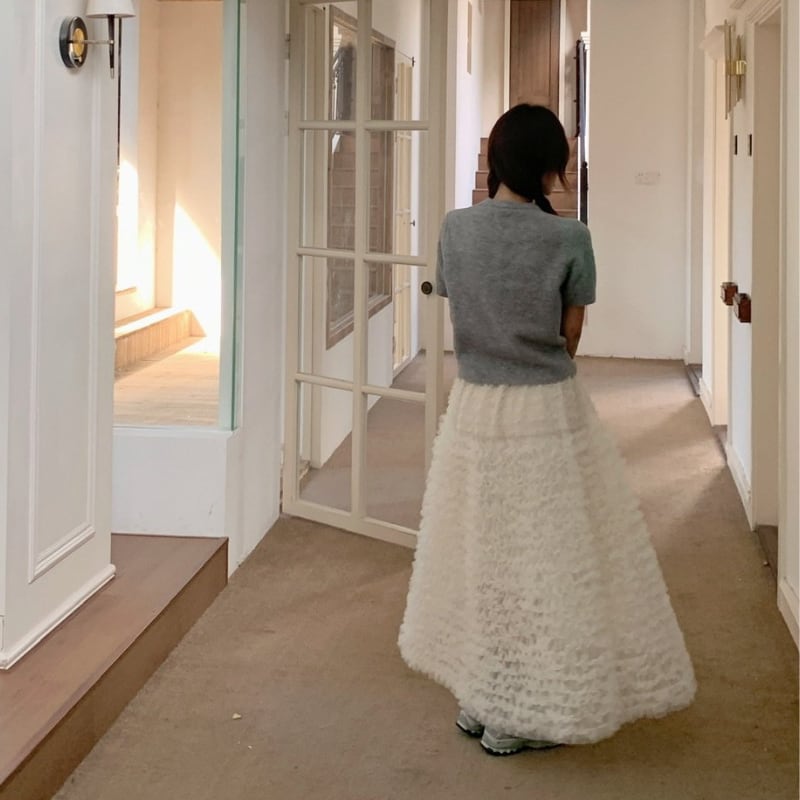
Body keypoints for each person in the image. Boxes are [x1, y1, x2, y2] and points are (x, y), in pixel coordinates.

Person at [398, 104, 696, 756]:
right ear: (548, 167)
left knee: (484, 550)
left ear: (496, 159)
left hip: (474, 407)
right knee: (545, 559)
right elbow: (571, 333)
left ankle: (481, 697)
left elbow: (460, 304)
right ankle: (516, 714)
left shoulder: (455, 228)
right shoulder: (569, 238)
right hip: (546, 411)